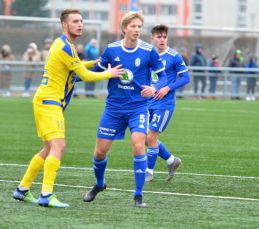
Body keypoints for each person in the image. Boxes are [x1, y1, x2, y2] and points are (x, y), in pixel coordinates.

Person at [13, 9, 124, 208]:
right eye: (75, 21)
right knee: (59, 147)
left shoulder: (64, 45)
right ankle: (46, 194)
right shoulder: (66, 47)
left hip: (45, 101)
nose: (80, 24)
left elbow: (77, 68)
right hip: (49, 103)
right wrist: (110, 73)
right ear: (65, 25)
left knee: (47, 149)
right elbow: (86, 76)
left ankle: (22, 190)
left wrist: (95, 62)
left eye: (81, 21)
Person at [83, 11, 167, 208]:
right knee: (100, 152)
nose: (137, 30)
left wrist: (154, 88)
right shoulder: (111, 50)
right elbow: (94, 72)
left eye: (139, 27)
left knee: (138, 145)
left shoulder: (149, 51)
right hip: (113, 108)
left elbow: (163, 77)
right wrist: (72, 75)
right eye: (133, 26)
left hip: (138, 107)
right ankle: (99, 184)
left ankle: (138, 195)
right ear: (124, 29)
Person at [145, 24, 190, 182]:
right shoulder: (148, 54)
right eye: (159, 37)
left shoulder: (174, 56)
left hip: (164, 104)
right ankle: (172, 161)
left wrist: (167, 88)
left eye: (164, 37)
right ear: (152, 38)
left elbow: (186, 78)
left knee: (151, 136)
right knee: (146, 138)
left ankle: (148, 173)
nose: (162, 39)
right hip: (147, 102)